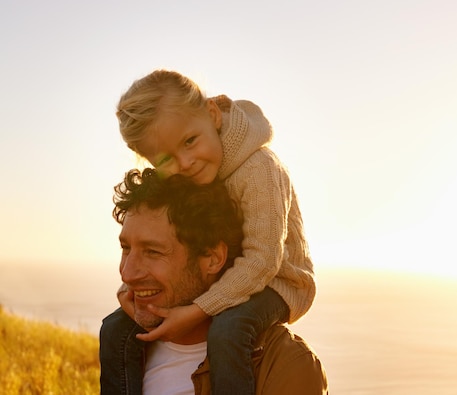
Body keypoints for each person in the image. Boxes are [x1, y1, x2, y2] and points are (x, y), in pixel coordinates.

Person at [101, 70, 316, 394]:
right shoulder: (194, 167)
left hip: (279, 281)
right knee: (116, 327)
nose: (185, 162)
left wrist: (197, 310)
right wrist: (131, 289)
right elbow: (167, 237)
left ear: (213, 114)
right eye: (166, 158)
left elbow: (263, 261)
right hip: (235, 274)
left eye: (190, 141)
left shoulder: (260, 169)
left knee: (228, 330)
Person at [100, 168, 328, 394]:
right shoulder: (123, 351)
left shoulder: (287, 365)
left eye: (153, 252)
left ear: (212, 258)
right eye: (126, 248)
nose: (127, 273)